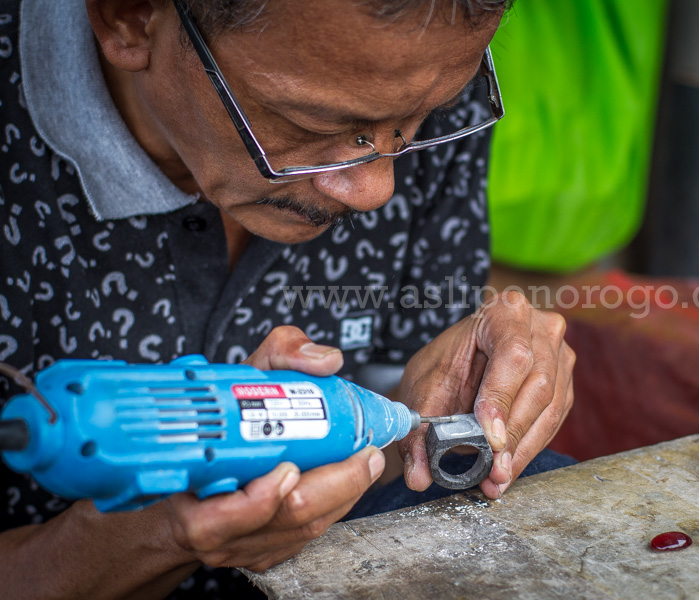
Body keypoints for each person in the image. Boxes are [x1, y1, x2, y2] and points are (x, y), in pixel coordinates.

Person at [0, 0, 575, 597]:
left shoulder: (412, 74)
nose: (376, 190)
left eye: (420, 118)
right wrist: (158, 533)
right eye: (314, 126)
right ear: (131, 18)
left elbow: (409, 405)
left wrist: (467, 386)